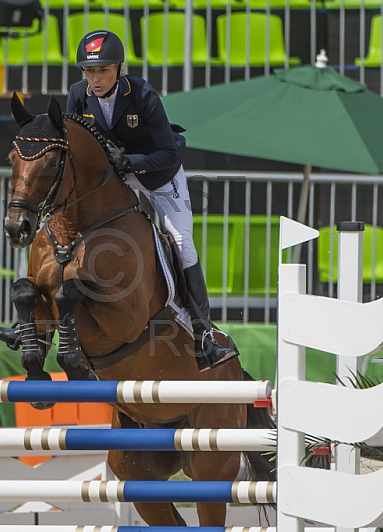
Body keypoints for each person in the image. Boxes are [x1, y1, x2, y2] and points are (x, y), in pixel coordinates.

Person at [65, 30, 238, 371]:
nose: (95, 79)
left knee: (181, 242)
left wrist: (131, 162)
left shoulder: (143, 94)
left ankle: (203, 334)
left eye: (102, 71)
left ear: (118, 68)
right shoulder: (77, 97)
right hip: (113, 180)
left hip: (159, 175)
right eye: (89, 71)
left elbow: (168, 153)